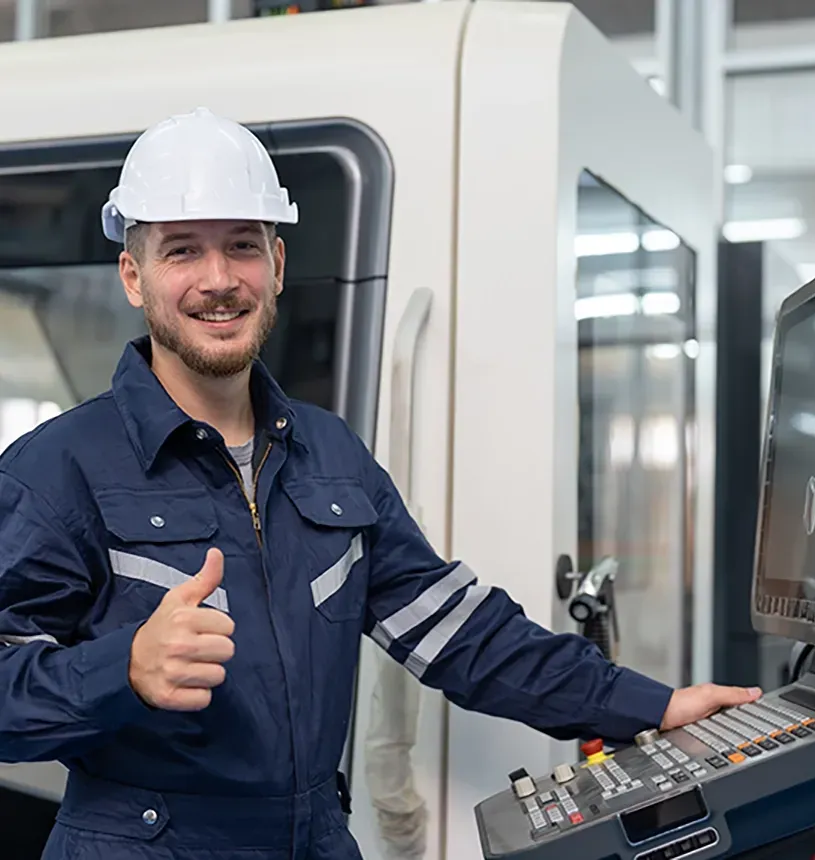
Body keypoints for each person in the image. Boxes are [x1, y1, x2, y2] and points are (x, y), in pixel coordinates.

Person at [0, 108, 760, 860]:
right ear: (134, 277)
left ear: (279, 265)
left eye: (242, 246)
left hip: (318, 839)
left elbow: (461, 634)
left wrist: (652, 704)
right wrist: (122, 668)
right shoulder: (60, 469)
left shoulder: (329, 454)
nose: (220, 280)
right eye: (182, 252)